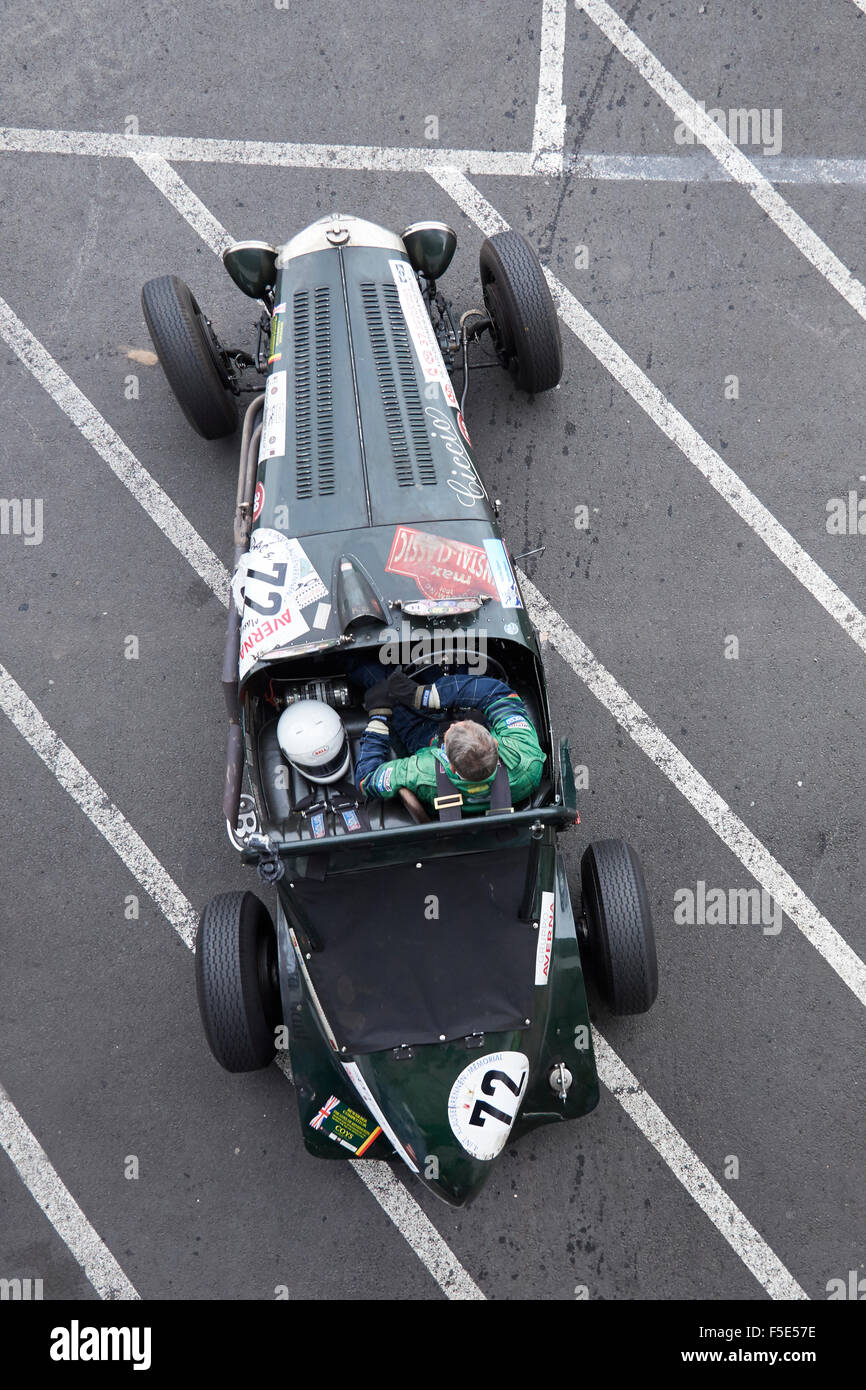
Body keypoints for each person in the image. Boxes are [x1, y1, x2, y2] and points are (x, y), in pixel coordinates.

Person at [353, 666, 546, 814]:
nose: (454, 724)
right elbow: (500, 695)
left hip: (422, 737)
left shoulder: (421, 771)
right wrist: (426, 696)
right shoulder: (526, 758)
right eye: (466, 723)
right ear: (495, 744)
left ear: (451, 767)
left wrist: (378, 717)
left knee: (377, 679)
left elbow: (366, 780)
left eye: (450, 734)